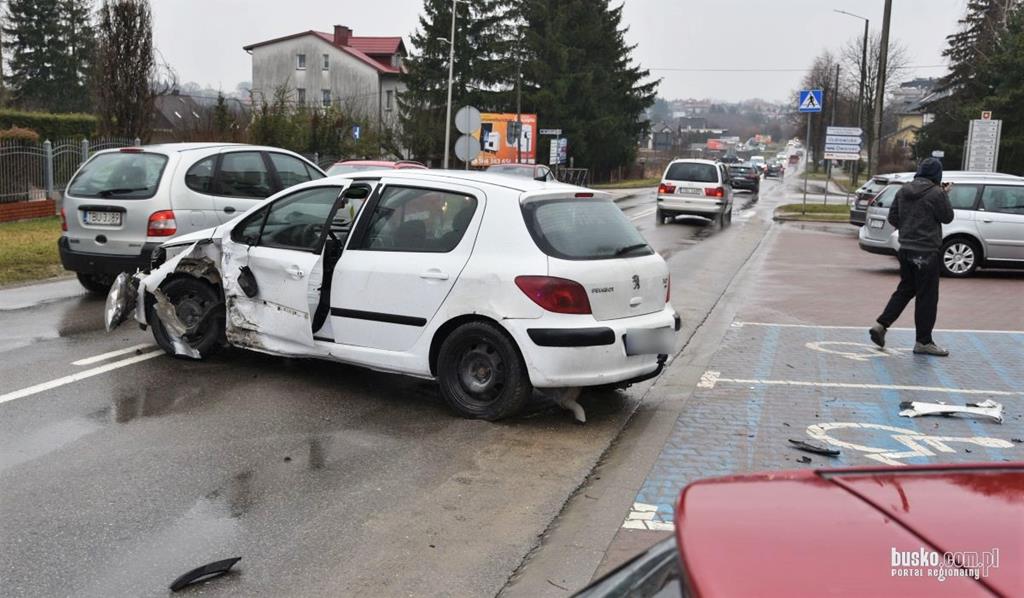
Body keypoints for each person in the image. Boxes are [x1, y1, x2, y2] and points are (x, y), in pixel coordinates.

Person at [869, 158, 955, 356]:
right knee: (927, 297)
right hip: (927, 252)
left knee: (905, 289)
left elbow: (893, 217)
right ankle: (924, 342)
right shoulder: (936, 193)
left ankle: (881, 325)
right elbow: (947, 217)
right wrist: (944, 194)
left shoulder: (903, 191)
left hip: (905, 249)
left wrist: (909, 228)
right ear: (937, 175)